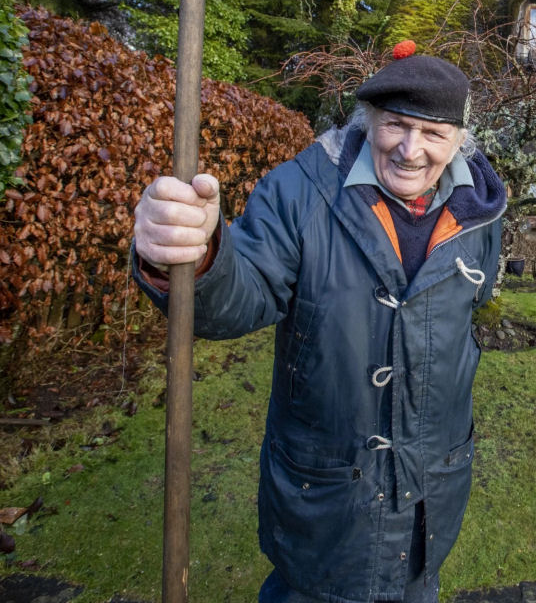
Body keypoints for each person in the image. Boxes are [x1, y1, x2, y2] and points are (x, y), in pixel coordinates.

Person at [131, 47, 506, 603]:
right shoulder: (298, 191)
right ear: (367, 121)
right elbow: (244, 293)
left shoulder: (481, 212)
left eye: (432, 132)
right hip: (326, 491)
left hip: (430, 491)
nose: (410, 149)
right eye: (396, 125)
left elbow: (468, 312)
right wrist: (196, 258)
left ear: (458, 141)